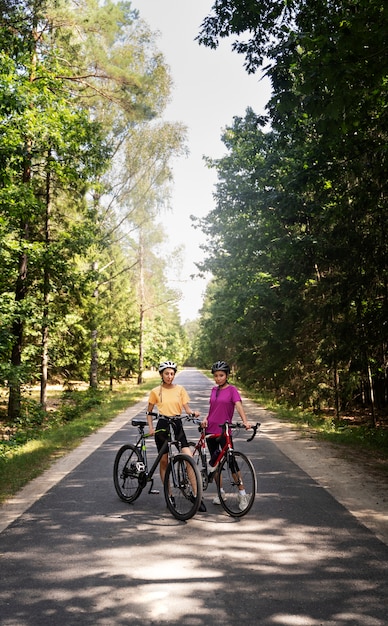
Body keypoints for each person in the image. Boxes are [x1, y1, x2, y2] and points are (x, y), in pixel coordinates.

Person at [146, 360, 206, 512]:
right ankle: (169, 495)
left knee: (189, 459)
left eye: (172, 373)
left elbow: (187, 408)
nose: (169, 376)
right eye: (166, 373)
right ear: (161, 374)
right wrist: (151, 427)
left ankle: (197, 495)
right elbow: (149, 411)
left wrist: (192, 413)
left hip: (177, 424)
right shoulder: (155, 391)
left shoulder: (180, 389)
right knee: (165, 461)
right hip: (162, 426)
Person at [201, 360, 252, 509]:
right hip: (210, 430)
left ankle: (242, 495)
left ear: (227, 375)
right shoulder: (213, 390)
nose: (218, 378)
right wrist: (205, 419)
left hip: (224, 431)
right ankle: (220, 492)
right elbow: (212, 410)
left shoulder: (232, 390)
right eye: (216, 376)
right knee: (216, 463)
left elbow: (238, 406)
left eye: (221, 375)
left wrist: (245, 421)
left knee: (231, 463)